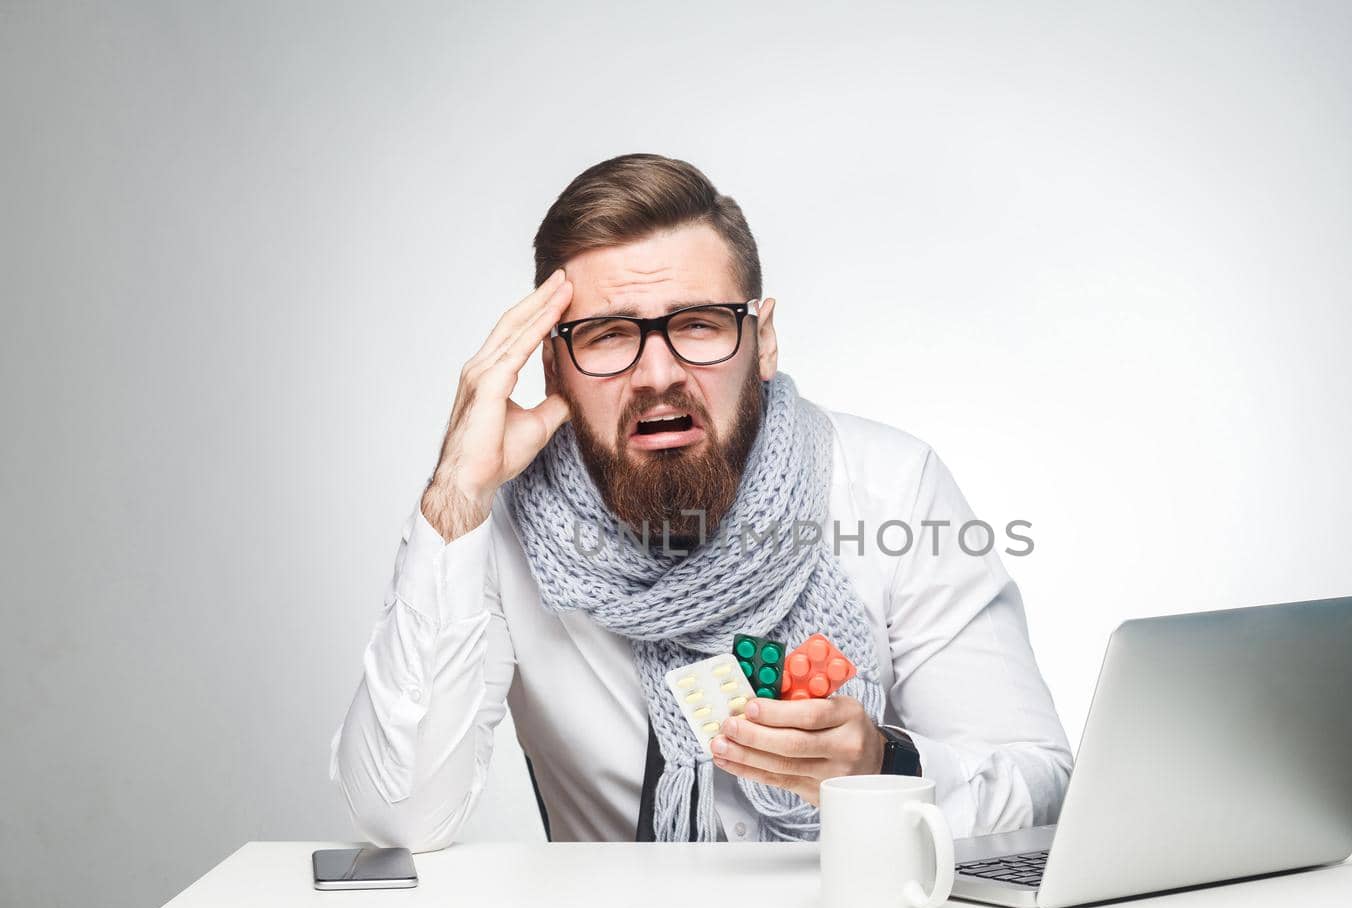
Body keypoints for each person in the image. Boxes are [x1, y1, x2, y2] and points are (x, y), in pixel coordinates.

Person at [330, 153, 1073, 848]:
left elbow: (1042, 789)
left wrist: (883, 769)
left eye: (697, 325)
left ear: (764, 341)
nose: (657, 373)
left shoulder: (891, 488)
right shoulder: (497, 529)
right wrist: (456, 496)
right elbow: (403, 818)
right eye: (608, 335)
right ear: (552, 366)